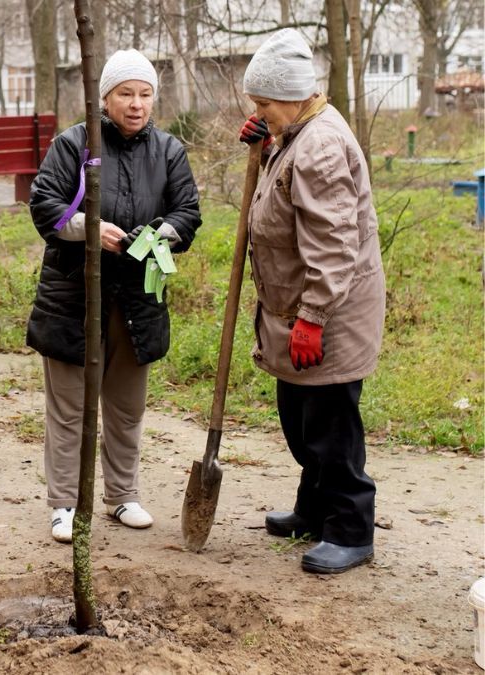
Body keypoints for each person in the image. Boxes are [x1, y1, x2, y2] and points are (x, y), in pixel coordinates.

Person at [27, 49, 202, 542]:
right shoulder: (74, 144)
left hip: (137, 300)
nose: (136, 104)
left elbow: (188, 211)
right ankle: (64, 504)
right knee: (69, 407)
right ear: (105, 97)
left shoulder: (168, 150)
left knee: (126, 407)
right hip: (74, 297)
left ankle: (122, 496)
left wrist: (163, 232)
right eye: (126, 93)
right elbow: (44, 205)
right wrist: (88, 228)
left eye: (145, 94)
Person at [237, 29, 385, 574]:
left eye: (265, 104)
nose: (260, 112)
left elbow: (332, 244)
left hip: (331, 311)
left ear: (296, 96)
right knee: (301, 419)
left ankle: (350, 530)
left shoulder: (320, 146)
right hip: (298, 306)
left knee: (330, 428)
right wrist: (268, 140)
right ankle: (313, 510)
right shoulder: (299, 131)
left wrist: (313, 318)